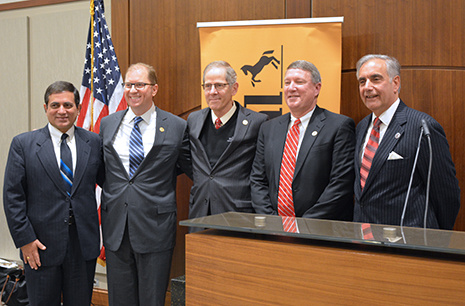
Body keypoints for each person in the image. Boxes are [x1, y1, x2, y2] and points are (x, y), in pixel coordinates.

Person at [3, 81, 103, 306]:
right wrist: (25, 240)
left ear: (78, 108)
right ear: (45, 108)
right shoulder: (24, 144)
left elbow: (109, 183)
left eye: (68, 105)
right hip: (39, 247)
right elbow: (13, 197)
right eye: (55, 105)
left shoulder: (94, 142)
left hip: (83, 245)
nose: (62, 111)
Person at [99, 62, 191, 305]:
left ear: (154, 89)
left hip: (155, 227)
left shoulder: (176, 126)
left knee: (152, 299)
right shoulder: (108, 124)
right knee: (120, 299)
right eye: (129, 84)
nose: (133, 90)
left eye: (140, 84)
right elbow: (102, 170)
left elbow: (186, 166)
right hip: (116, 226)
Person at [354, 54, 460, 229]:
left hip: (407, 240)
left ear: (395, 83)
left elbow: (446, 193)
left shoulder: (422, 127)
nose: (367, 87)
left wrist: (436, 238)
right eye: (362, 81)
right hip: (364, 238)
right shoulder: (361, 127)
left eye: (375, 79)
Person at [251, 60, 355, 226]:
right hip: (273, 229)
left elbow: (341, 184)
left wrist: (303, 225)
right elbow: (258, 180)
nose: (291, 88)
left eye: (299, 82)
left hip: (320, 230)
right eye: (287, 83)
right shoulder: (268, 128)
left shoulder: (339, 126)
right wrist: (272, 221)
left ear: (317, 88)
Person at [187, 61, 268, 229]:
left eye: (219, 86)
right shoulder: (193, 120)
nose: (212, 92)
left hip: (237, 214)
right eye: (207, 86)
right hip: (200, 213)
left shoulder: (257, 123)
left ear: (234, 88)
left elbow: (262, 171)